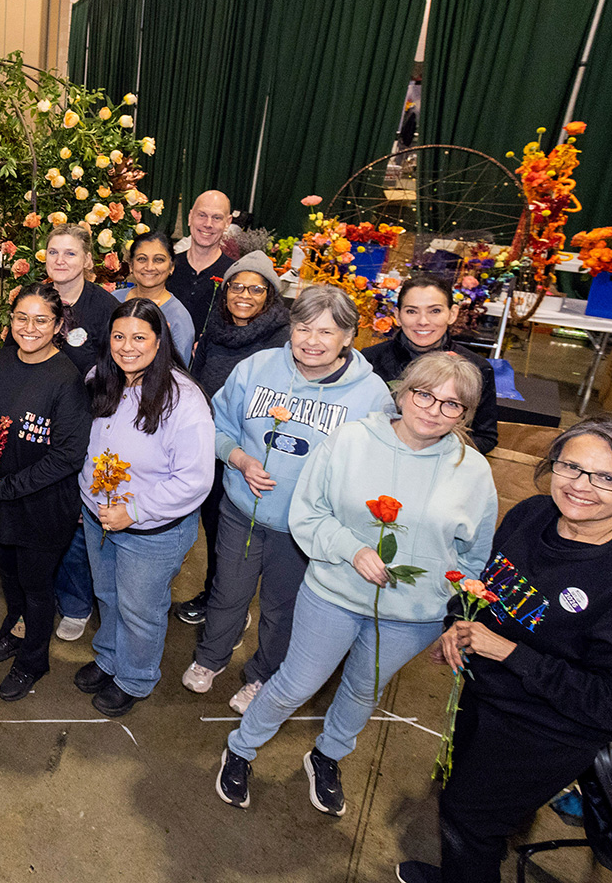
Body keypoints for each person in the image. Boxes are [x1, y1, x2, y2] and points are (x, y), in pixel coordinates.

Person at [397, 417, 612, 883]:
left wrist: (511, 654)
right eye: (570, 466)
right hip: (485, 697)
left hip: (545, 732)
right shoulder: (532, 514)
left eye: (607, 478)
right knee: (465, 803)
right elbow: (488, 588)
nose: (580, 486)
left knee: (468, 819)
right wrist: (461, 622)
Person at [216, 353, 497, 817]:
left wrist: (453, 611)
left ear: (465, 415)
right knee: (295, 683)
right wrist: (352, 549)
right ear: (403, 393)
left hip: (413, 615)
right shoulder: (349, 441)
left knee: (364, 690)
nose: (433, 410)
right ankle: (241, 748)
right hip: (335, 593)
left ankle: (327, 755)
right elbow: (307, 513)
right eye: (424, 394)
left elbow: (473, 556)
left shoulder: (473, 471)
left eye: (452, 405)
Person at [183, 285, 392, 715]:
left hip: (304, 528)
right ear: (290, 328)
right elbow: (215, 425)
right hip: (243, 511)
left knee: (282, 607)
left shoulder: (370, 396)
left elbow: (377, 467)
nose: (311, 341)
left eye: (326, 332)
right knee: (227, 592)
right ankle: (211, 657)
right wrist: (237, 458)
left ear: (349, 337)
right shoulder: (256, 368)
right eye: (303, 328)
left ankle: (262, 675)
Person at [76, 299, 213, 717]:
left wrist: (133, 512)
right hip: (98, 516)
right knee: (108, 595)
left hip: (151, 531)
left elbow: (194, 480)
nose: (127, 346)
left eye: (139, 337)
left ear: (160, 342)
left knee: (141, 608)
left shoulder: (183, 400)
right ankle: (110, 657)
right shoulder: (101, 378)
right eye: (119, 336)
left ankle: (135, 676)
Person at [0, 283, 90, 701]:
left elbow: (68, 456)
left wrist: (4, 487)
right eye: (21, 317)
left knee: (37, 588)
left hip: (41, 506)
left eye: (41, 320)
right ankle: (15, 627)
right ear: (11, 318)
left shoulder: (66, 380)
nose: (29, 327)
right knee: (9, 573)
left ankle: (33, 659)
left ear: (57, 325)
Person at [175, 250, 291, 626]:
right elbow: (196, 380)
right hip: (210, 445)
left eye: (255, 289)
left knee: (238, 541)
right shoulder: (215, 329)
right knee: (214, 529)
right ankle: (216, 596)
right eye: (236, 287)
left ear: (269, 295)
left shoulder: (282, 341)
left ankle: (232, 611)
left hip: (250, 456)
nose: (244, 295)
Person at [45, 224, 118, 642]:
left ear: (88, 260)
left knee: (78, 516)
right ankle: (45, 593)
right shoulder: (38, 300)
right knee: (46, 510)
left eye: (70, 254)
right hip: (41, 422)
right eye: (53, 252)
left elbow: (117, 370)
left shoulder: (104, 308)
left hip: (88, 426)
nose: (60, 261)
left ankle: (76, 603)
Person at [364, 273, 498, 454]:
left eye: (435, 311)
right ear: (397, 315)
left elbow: (485, 437)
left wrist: (430, 451)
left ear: (452, 314)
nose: (423, 321)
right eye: (412, 311)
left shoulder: (476, 368)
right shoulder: (370, 361)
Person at [111, 231, 195, 364]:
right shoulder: (113, 300)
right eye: (142, 259)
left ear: (171, 266)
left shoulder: (178, 317)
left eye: (159, 260)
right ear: (131, 265)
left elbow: (177, 371)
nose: (149, 267)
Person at [166, 189, 235, 337]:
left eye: (216, 218)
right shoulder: (167, 267)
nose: (208, 224)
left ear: (227, 223)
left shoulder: (234, 275)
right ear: (190, 217)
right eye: (202, 215)